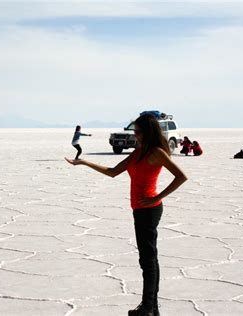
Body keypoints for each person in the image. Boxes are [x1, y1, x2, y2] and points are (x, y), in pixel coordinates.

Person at [65, 114, 188, 316]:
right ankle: (152, 308)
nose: (135, 135)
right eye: (134, 131)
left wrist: (157, 196)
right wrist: (85, 163)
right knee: (149, 259)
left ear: (147, 132)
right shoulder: (138, 152)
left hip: (149, 209)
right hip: (140, 209)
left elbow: (181, 176)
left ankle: (148, 307)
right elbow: (113, 171)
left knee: (148, 260)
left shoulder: (156, 152)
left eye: (138, 132)